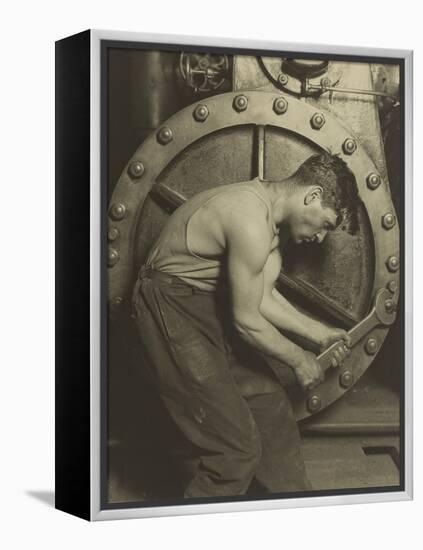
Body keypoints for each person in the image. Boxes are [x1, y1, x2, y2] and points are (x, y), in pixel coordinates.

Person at [131, 152, 361, 498]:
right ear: (312, 196)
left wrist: (319, 332)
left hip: (205, 305)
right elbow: (246, 319)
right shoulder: (250, 218)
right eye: (326, 224)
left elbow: (262, 297)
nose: (321, 238)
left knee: (270, 407)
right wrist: (299, 359)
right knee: (236, 449)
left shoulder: (271, 225)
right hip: (168, 304)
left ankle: (294, 507)